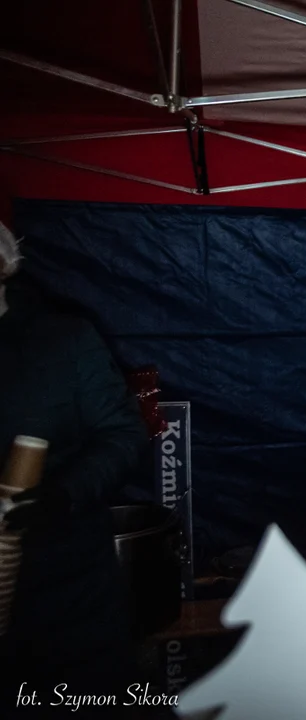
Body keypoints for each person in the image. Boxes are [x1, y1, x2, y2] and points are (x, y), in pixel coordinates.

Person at [0, 221, 149, 716]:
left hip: (65, 592)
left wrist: (63, 495)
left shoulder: (62, 339)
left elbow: (124, 435)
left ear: (5, 265)